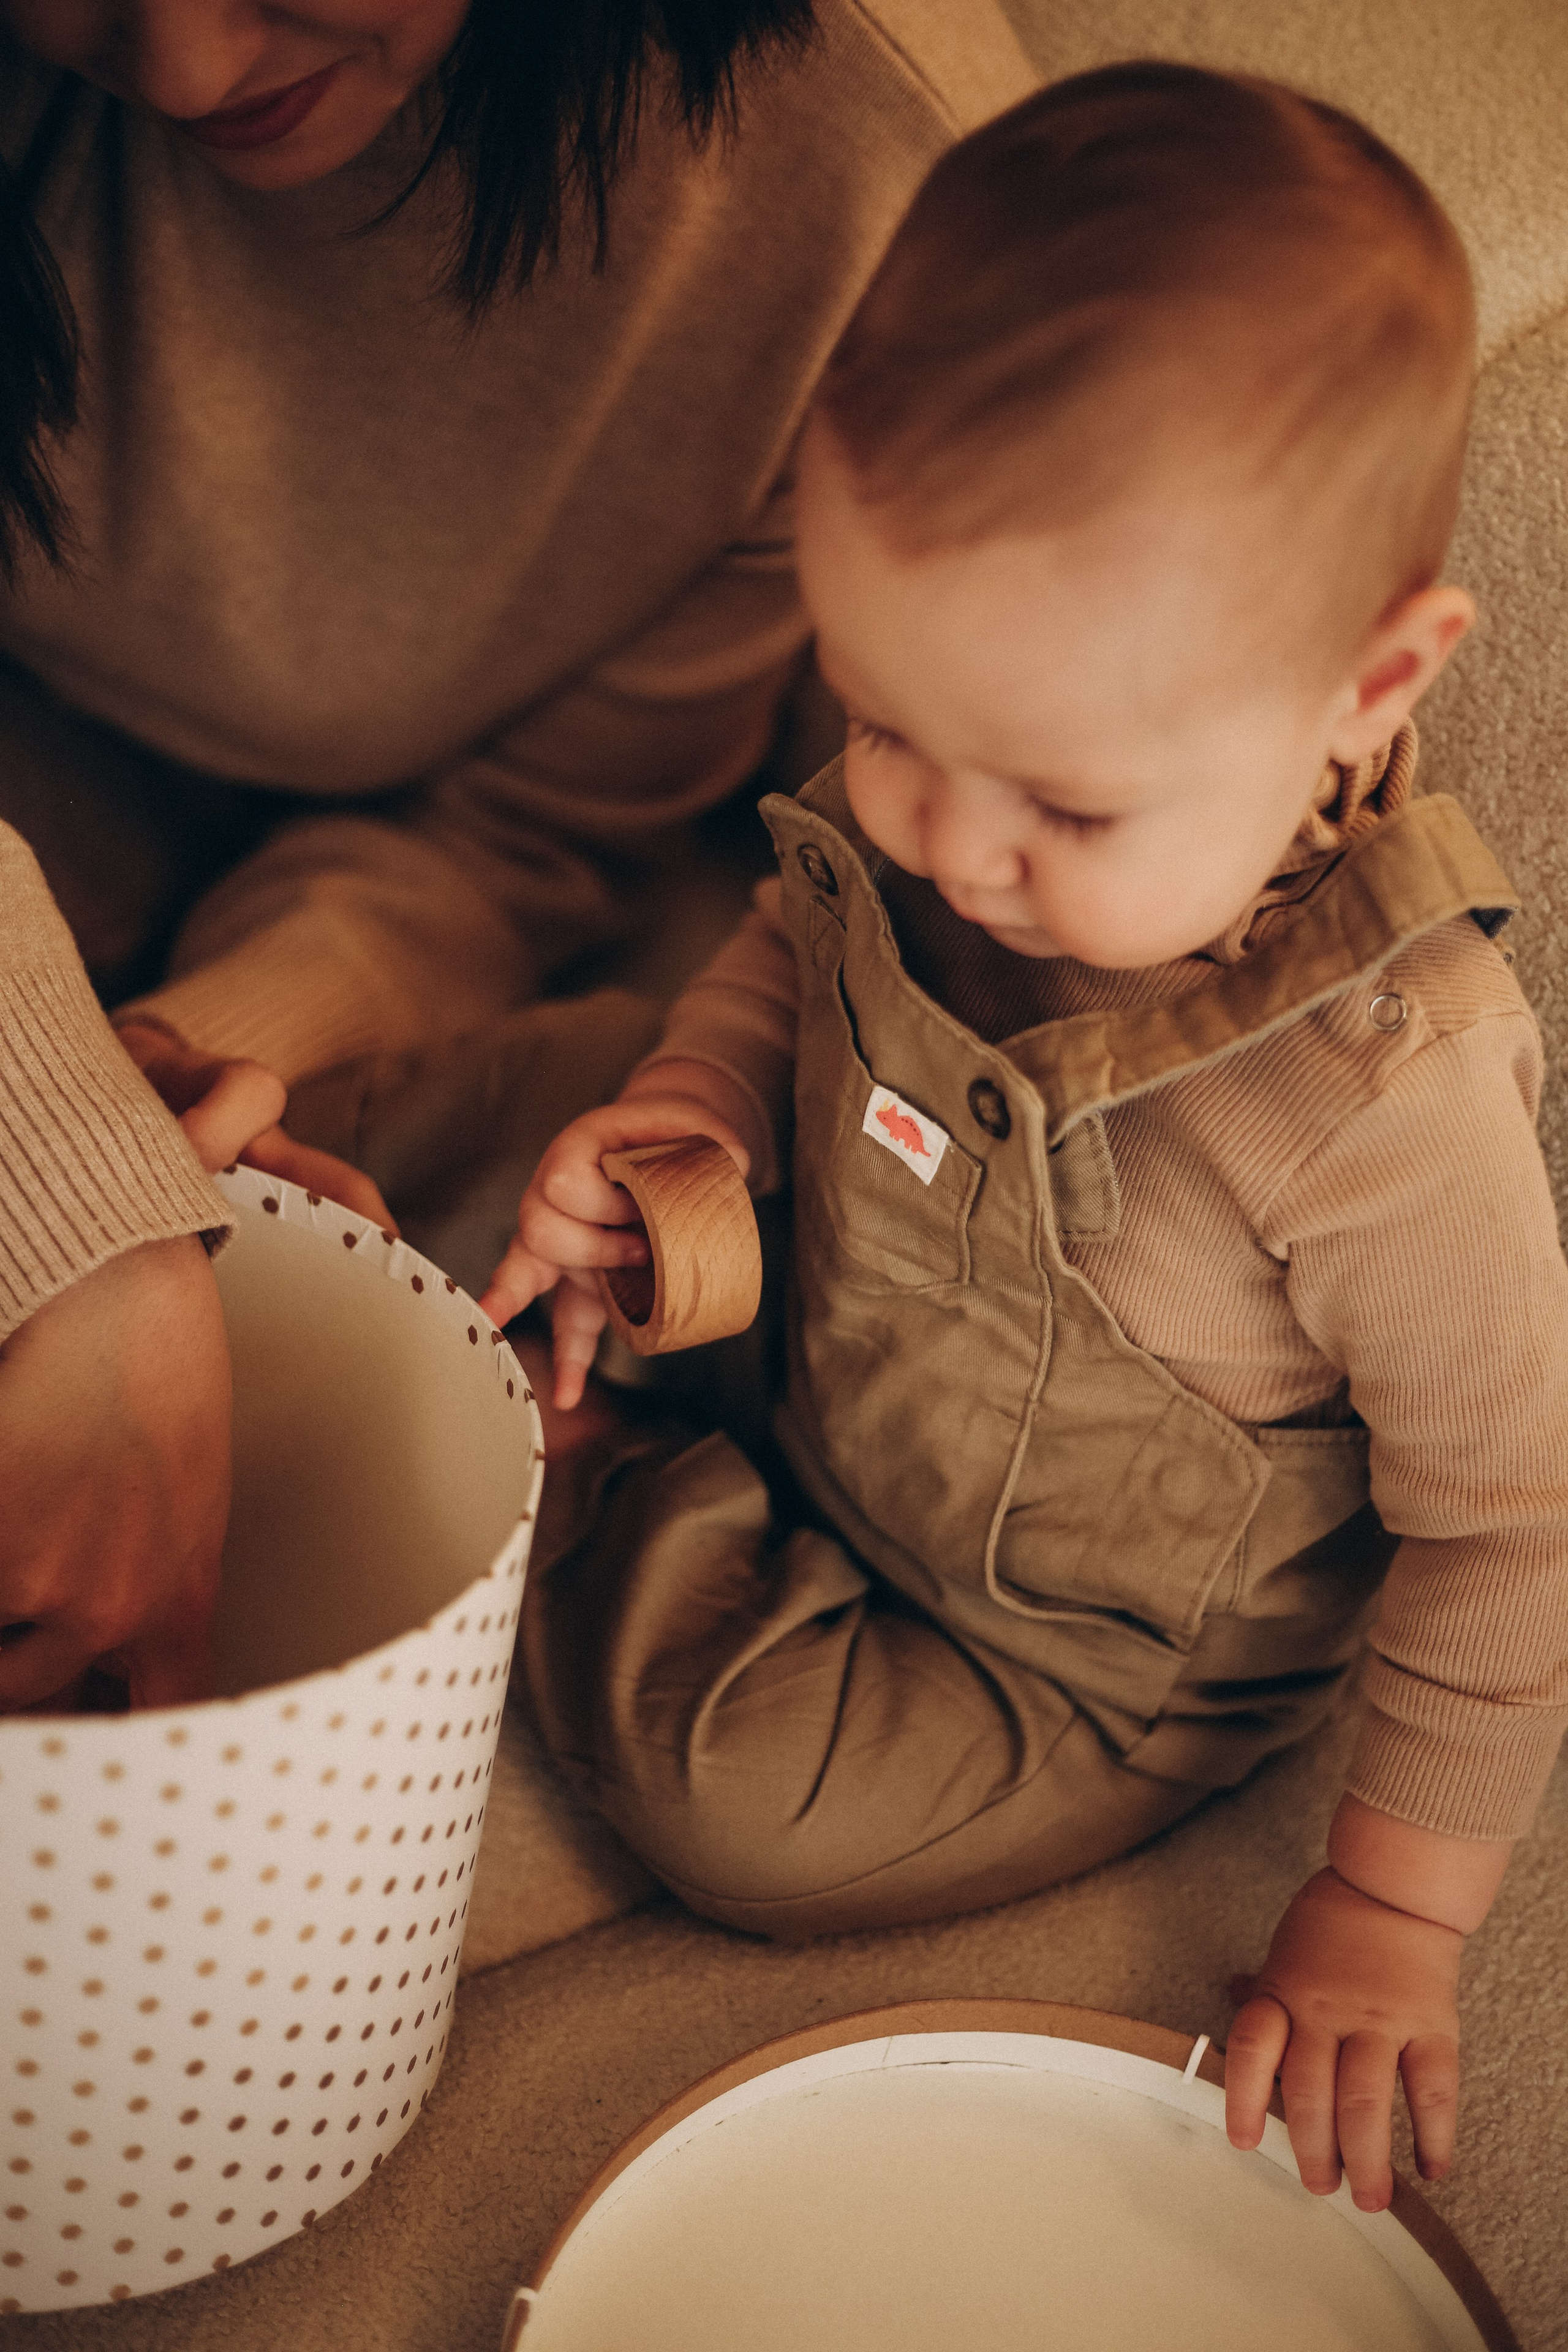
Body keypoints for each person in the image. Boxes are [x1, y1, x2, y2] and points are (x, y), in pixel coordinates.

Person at [483, 64, 1568, 2219]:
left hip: (1065, 1657)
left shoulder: (1383, 1098)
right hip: (827, 1339)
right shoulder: (982, 741)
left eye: (1065, 809)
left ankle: (584, 1480)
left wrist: (1390, 1914)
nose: (947, 840)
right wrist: (692, 1102)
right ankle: (481, 1329)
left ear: (1368, 685)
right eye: (880, 717)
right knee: (514, 1116)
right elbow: (800, 951)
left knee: (750, 1806)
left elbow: (1513, 1529)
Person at [0, 0, 1037, 1710]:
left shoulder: (865, 185)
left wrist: (177, 1088)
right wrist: (62, 1159)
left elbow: (519, 839)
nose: (180, 66)